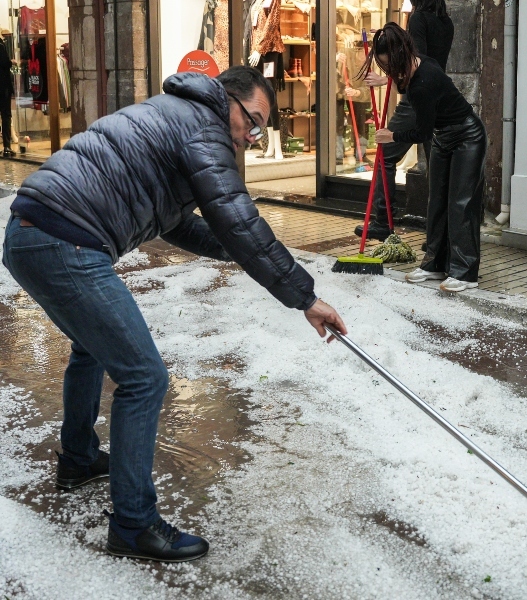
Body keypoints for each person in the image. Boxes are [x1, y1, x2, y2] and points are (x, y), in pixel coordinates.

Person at [3, 66, 348, 561]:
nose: (252, 137)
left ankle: (78, 459)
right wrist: (306, 298)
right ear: (228, 101)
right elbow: (237, 214)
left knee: (92, 346)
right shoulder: (204, 126)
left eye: (260, 129)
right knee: (145, 378)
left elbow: (178, 223)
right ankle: (133, 525)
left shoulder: (181, 116)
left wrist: (242, 250)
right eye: (252, 121)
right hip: (64, 240)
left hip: (33, 233)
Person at [364, 23, 485, 293]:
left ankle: (465, 271)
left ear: (402, 56)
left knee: (460, 203)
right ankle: (434, 264)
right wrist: (390, 81)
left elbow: (421, 132)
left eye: (391, 67)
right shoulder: (416, 65)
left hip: (467, 136)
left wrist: (391, 136)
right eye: (386, 69)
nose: (391, 74)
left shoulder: (423, 82)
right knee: (437, 201)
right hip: (443, 136)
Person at [353, 0, 454, 241]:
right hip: (437, 97)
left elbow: (416, 66)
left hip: (416, 99)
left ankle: (382, 220)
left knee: (384, 155)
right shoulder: (445, 21)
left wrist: (387, 79)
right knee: (437, 169)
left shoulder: (419, 19)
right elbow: (429, 65)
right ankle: (438, 236)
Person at [0, 29, 13, 157]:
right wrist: (11, 62)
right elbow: (4, 63)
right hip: (3, 88)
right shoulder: (0, 45)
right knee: (6, 116)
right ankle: (7, 146)